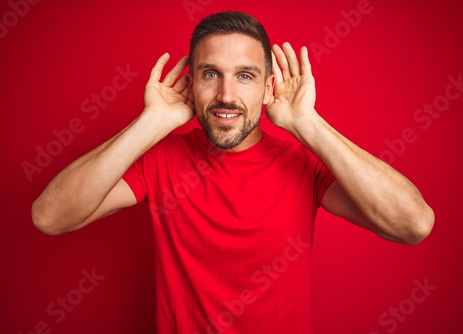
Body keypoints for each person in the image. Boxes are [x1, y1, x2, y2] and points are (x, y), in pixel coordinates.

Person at [31, 11, 434, 334]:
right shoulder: (159, 158)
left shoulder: (302, 161)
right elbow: (50, 217)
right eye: (211, 74)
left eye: (245, 76)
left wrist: (305, 123)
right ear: (191, 84)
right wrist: (152, 122)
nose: (226, 95)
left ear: (267, 86)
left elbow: (412, 224)